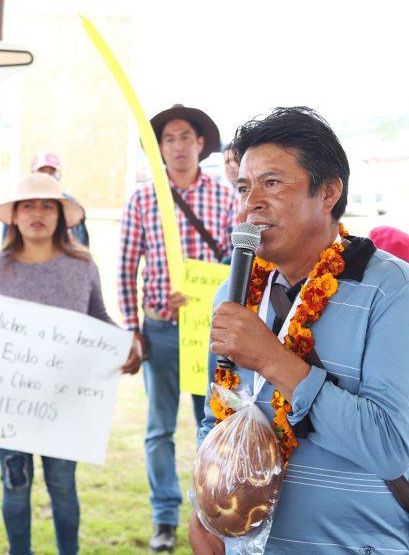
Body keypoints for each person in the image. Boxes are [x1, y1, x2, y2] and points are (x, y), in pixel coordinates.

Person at [192, 106, 409, 553]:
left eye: (272, 183)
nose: (251, 203)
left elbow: (388, 448)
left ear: (328, 192)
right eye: (243, 187)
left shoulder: (396, 292)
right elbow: (217, 413)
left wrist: (271, 358)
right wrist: (203, 508)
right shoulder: (234, 293)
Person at [0, 172, 141, 555]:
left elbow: (99, 318)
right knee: (15, 485)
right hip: (9, 403)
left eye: (47, 206)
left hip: (65, 405)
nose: (38, 213)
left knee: (63, 486)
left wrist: (126, 344)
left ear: (61, 216)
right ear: (13, 216)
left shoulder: (82, 266)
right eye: (28, 205)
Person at [117, 104, 233, 552]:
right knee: (158, 428)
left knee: (214, 425)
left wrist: (206, 290)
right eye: (169, 139)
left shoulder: (225, 198)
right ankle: (164, 517)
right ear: (159, 147)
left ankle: (209, 512)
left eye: (186, 137)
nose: (178, 146)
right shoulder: (143, 198)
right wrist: (133, 328)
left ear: (201, 144)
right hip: (162, 330)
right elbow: (128, 267)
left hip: (209, 331)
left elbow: (237, 264)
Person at [1, 152, 90, 247]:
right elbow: (7, 243)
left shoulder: (70, 204)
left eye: (52, 173)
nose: (38, 213)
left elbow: (81, 243)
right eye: (28, 206)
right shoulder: (18, 201)